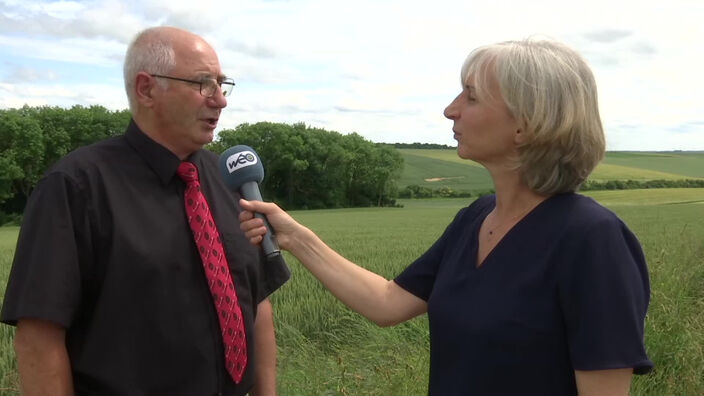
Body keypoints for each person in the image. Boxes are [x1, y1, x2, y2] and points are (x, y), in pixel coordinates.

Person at [239, 38, 653, 395]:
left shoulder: (592, 239)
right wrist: (294, 237)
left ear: (526, 125)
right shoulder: (476, 218)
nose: (450, 110)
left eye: (471, 96)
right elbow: (387, 303)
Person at [1, 26, 289, 395]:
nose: (220, 100)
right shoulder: (75, 187)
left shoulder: (229, 181)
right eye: (203, 84)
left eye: (222, 84)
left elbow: (256, 301)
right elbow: (38, 338)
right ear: (146, 88)